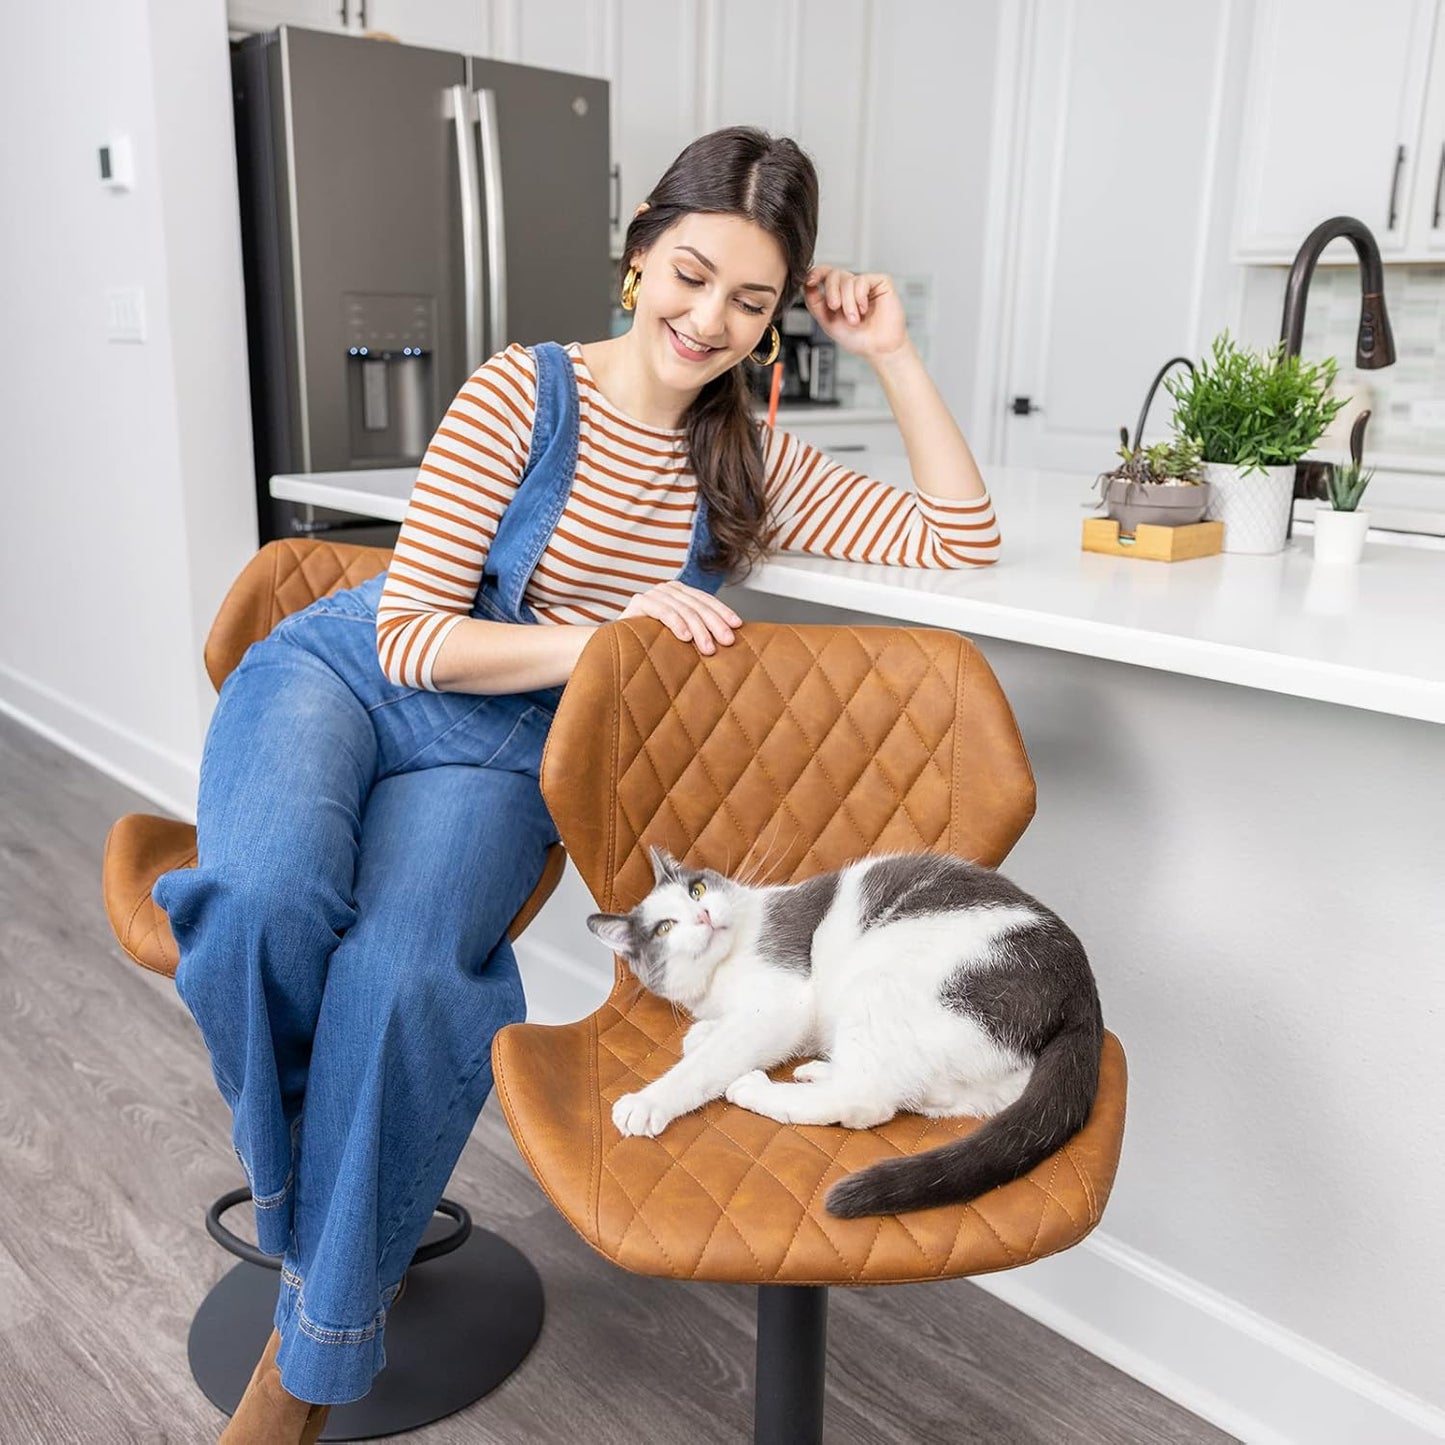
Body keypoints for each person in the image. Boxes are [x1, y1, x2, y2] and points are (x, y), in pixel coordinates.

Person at [153, 125, 998, 1443]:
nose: (707, 317)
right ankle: (309, 1219)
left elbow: (959, 536)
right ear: (635, 259)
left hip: (502, 753)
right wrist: (609, 641)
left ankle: (311, 1347)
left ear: (775, 321)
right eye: (690, 273)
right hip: (353, 678)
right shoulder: (518, 392)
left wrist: (892, 349)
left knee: (408, 971)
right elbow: (414, 633)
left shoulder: (746, 470)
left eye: (749, 300)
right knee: (262, 900)